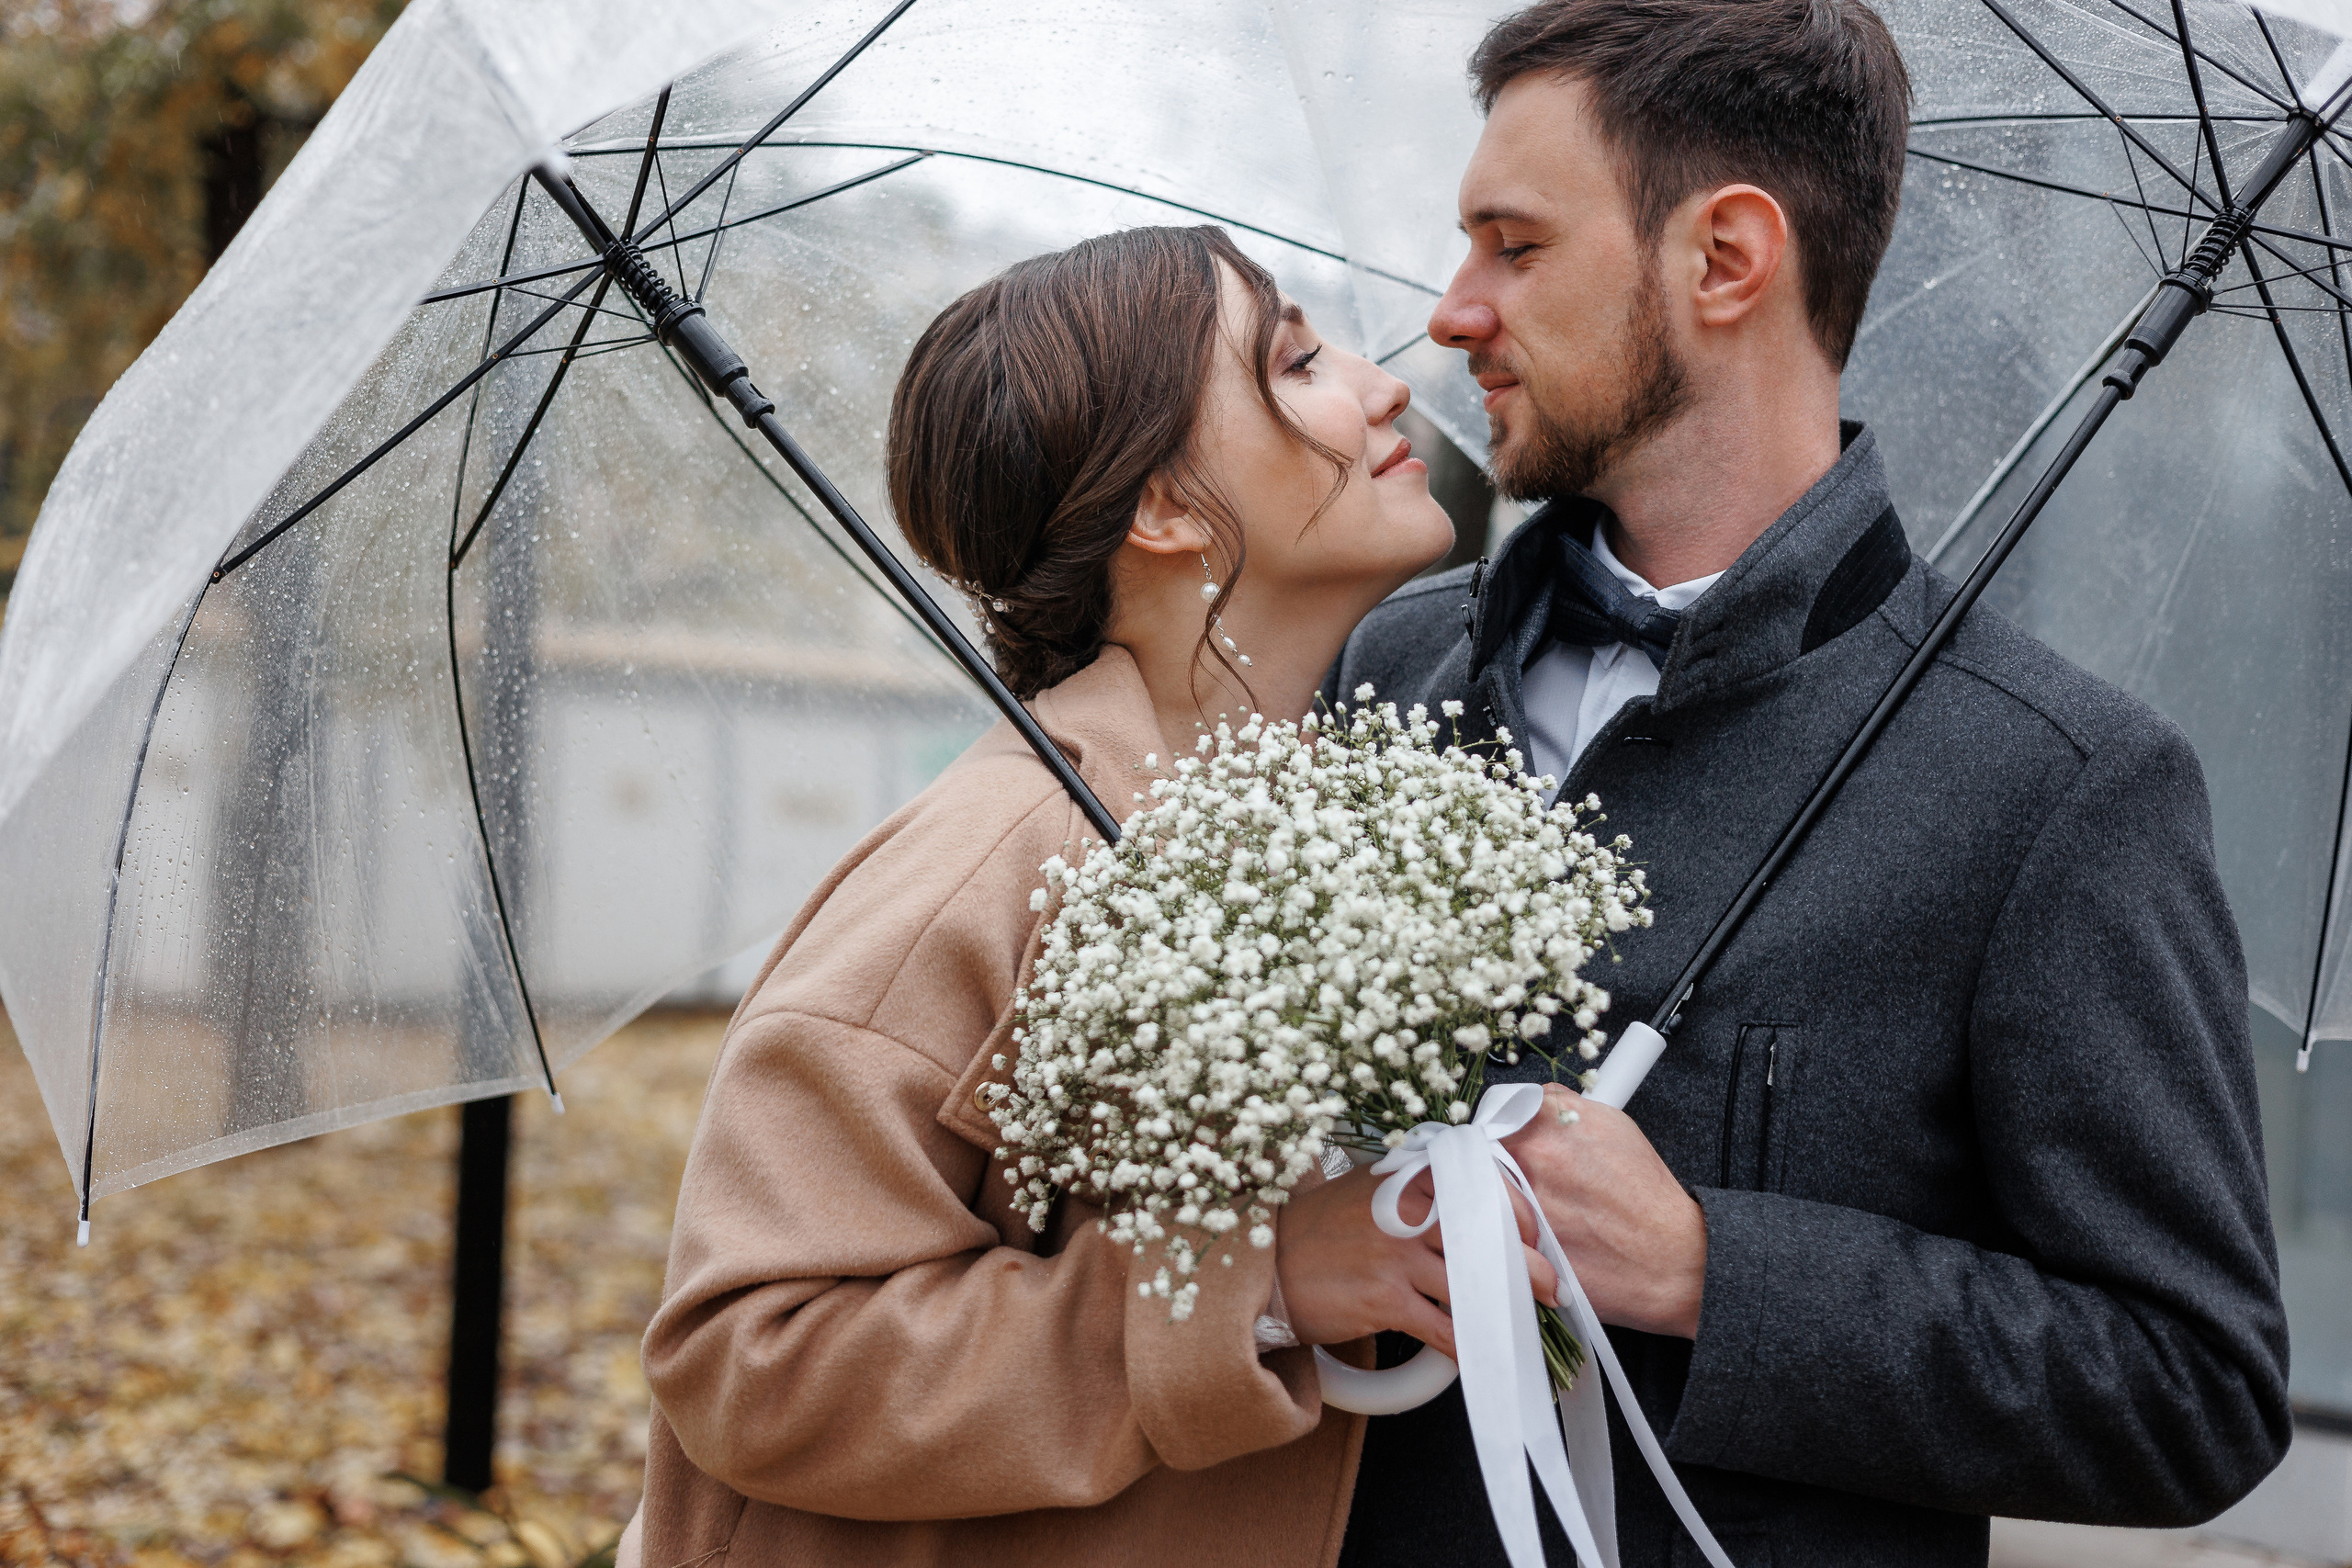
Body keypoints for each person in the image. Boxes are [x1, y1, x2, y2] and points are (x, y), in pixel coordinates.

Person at [1329, 0, 2291, 1562]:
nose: (1450, 314)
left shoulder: (2059, 789)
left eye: (1513, 245)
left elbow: (2197, 1390)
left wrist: (1718, 1270)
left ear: (1725, 259)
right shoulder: (1393, 670)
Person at [618, 225, 1556, 1568]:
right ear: (1164, 510)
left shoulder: (1319, 826)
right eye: (1294, 361)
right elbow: (747, 1356)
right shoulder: (989, 861)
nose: (1381, 383)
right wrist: (1262, 1280)